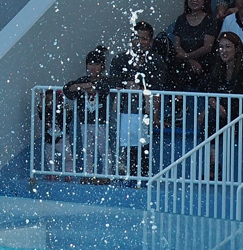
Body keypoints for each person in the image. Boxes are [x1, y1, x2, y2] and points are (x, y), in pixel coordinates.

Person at [108, 22, 166, 178]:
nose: (139, 42)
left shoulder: (156, 61)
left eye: (144, 38)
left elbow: (158, 88)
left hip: (144, 112)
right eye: (136, 38)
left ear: (151, 41)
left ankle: (141, 180)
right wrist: (127, 84)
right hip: (123, 112)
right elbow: (113, 82)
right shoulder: (120, 59)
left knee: (142, 149)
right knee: (122, 150)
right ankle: (123, 180)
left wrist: (141, 88)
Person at [63, 47, 111, 178]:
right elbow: (68, 89)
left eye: (96, 64)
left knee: (104, 150)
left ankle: (106, 175)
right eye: (90, 64)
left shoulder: (106, 80)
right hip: (85, 121)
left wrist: (83, 87)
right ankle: (88, 174)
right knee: (87, 150)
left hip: (101, 122)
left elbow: (103, 87)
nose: (93, 67)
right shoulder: (82, 79)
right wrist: (83, 86)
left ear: (103, 66)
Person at [169, 0, 218, 91]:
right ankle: (178, 101)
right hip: (185, 61)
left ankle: (179, 100)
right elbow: (177, 45)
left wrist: (187, 56)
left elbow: (207, 47)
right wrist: (189, 59)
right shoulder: (181, 19)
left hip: (204, 62)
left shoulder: (210, 20)